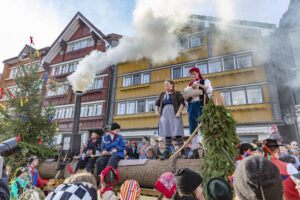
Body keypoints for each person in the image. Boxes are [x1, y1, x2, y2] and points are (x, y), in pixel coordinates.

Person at [184, 67, 213, 157]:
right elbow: (186, 97)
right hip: (192, 106)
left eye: (194, 74)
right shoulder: (189, 84)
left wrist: (199, 85)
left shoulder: (205, 81)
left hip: (201, 105)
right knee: (192, 128)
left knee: (203, 126)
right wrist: (188, 94)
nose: (193, 76)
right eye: (191, 74)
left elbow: (209, 90)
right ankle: (195, 149)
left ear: (198, 73)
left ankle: (208, 148)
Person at [155, 80, 185, 160]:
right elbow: (157, 104)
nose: (165, 85)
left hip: (174, 114)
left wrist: (179, 112)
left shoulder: (176, 93)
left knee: (177, 133)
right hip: (164, 115)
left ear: (172, 85)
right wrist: (157, 112)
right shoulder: (162, 94)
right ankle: (166, 153)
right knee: (167, 134)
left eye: (167, 84)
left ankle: (183, 152)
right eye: (164, 84)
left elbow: (182, 103)